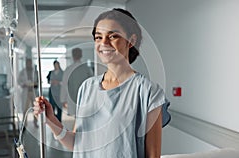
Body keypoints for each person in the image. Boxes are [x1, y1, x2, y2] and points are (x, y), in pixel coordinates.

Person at [33, 8, 170, 158]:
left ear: (131, 41)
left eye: (113, 36)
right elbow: (77, 143)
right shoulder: (87, 88)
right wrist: (51, 120)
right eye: (98, 37)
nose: (104, 43)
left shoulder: (148, 92)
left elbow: (153, 155)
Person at [60, 48, 93, 116]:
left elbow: (65, 85)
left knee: (76, 117)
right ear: (81, 55)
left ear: (72, 56)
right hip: (85, 97)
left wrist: (63, 99)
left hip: (72, 97)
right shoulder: (86, 68)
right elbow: (92, 84)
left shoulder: (69, 69)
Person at [17, 58, 38, 128]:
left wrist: (35, 84)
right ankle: (24, 123)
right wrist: (24, 84)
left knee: (35, 109)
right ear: (25, 63)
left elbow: (38, 81)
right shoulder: (22, 72)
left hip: (33, 92)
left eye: (30, 62)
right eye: (27, 63)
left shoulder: (35, 72)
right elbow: (19, 81)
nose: (28, 64)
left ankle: (35, 122)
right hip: (26, 92)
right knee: (25, 109)